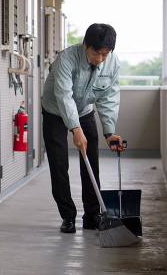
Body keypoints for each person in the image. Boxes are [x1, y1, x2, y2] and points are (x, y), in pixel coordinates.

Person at [41, 23, 126, 233]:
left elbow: (109, 97)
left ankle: (92, 216)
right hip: (55, 111)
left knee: (91, 161)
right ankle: (68, 216)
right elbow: (64, 95)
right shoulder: (67, 58)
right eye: (96, 53)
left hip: (85, 111)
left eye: (105, 54)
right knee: (59, 164)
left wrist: (109, 131)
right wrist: (75, 128)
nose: (100, 59)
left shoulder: (112, 63)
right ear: (85, 44)